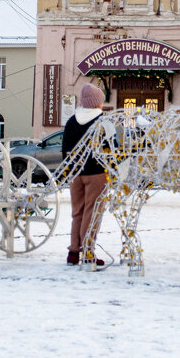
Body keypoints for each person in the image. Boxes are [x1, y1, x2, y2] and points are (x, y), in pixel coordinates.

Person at [62, 82, 107, 266]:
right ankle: (88, 252)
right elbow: (110, 148)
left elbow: (65, 149)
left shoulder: (72, 121)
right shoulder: (102, 121)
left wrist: (70, 170)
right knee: (93, 211)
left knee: (77, 212)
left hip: (75, 173)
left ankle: (73, 252)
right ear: (97, 102)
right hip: (96, 173)